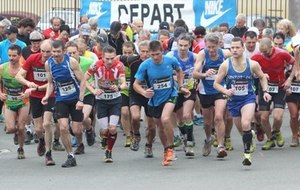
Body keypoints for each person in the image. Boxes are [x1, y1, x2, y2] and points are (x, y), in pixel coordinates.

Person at [213, 37, 271, 166]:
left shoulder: (252, 64)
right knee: (242, 129)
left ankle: (247, 155)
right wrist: (225, 91)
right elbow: (216, 84)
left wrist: (266, 91)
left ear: (242, 48)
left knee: (246, 123)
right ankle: (250, 135)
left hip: (248, 98)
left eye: (237, 47)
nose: (234, 50)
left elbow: (262, 77)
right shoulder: (226, 65)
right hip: (233, 101)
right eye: (232, 48)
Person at [133, 40, 189, 166]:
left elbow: (179, 71)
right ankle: (166, 150)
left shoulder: (171, 61)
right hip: (154, 100)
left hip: (170, 95)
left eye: (157, 54)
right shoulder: (145, 65)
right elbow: (135, 84)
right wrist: (143, 92)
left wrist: (180, 86)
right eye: (152, 55)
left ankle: (171, 148)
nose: (155, 57)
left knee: (165, 119)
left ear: (162, 52)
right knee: (160, 127)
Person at [41, 40, 86, 168]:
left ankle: (79, 141)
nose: (55, 54)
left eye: (58, 52)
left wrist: (81, 100)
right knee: (62, 127)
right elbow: (50, 83)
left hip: (75, 99)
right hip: (61, 99)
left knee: (77, 130)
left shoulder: (71, 61)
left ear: (63, 51)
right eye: (53, 52)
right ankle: (70, 156)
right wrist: (46, 96)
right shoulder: (48, 64)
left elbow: (82, 81)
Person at [15, 40, 58, 165]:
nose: (45, 54)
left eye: (48, 52)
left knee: (46, 124)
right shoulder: (33, 59)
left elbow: (52, 83)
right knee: (38, 129)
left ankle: (49, 154)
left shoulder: (55, 62)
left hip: (50, 95)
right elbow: (18, 76)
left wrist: (36, 88)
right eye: (43, 51)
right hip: (35, 97)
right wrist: (28, 83)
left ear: (53, 51)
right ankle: (42, 140)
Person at [251, 38, 296, 150]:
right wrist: (258, 74)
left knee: (277, 116)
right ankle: (270, 139)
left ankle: (276, 131)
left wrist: (290, 79)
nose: (264, 54)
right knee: (264, 117)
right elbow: (248, 67)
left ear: (272, 47)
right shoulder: (257, 57)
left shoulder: (282, 53)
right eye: (262, 52)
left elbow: (296, 63)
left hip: (280, 87)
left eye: (266, 52)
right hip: (265, 88)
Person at [84, 46, 127, 163]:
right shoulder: (95, 65)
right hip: (101, 101)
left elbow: (124, 83)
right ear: (102, 57)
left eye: (112, 58)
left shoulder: (119, 66)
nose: (109, 61)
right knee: (104, 130)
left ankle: (109, 151)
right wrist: (93, 91)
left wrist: (118, 87)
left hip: (115, 101)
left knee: (112, 128)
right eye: (107, 59)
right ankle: (103, 137)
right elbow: (84, 79)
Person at [192, 33, 231, 158]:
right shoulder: (202, 54)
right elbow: (194, 74)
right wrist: (205, 74)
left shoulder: (225, 54)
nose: (211, 50)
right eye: (209, 47)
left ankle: (220, 146)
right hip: (205, 91)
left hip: (220, 89)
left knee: (219, 116)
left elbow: (239, 60)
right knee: (207, 122)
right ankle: (209, 138)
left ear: (219, 45)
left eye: (213, 47)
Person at [117, 40, 156, 157]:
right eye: (142, 51)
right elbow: (118, 57)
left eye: (147, 51)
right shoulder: (132, 60)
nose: (145, 54)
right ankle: (136, 135)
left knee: (151, 126)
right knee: (135, 116)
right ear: (138, 52)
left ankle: (149, 145)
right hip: (135, 93)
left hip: (150, 94)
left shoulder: (155, 62)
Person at [166, 34, 197, 156]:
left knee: (186, 115)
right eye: (180, 45)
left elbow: (200, 69)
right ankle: (184, 136)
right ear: (177, 44)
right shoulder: (170, 56)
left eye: (185, 45)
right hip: (175, 91)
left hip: (189, 90)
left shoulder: (194, 57)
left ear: (189, 45)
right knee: (179, 120)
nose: (183, 48)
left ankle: (189, 143)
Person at [1, 45, 30, 159]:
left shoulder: (25, 69)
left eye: (14, 56)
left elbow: (30, 83)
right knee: (11, 129)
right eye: (9, 55)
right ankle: (15, 132)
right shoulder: (3, 68)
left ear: (19, 56)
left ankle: (20, 149)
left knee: (21, 127)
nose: (11, 58)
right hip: (9, 102)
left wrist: (27, 92)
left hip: (23, 101)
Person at [65, 41, 96, 150]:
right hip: (72, 95)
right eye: (70, 53)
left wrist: (94, 83)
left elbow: (98, 71)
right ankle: (80, 144)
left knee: (83, 118)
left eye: (74, 52)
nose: (72, 55)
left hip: (87, 94)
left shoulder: (88, 62)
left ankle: (89, 129)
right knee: (76, 127)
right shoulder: (64, 64)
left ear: (79, 52)